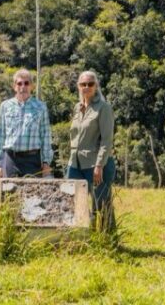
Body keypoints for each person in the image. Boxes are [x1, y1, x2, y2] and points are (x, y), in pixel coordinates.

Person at [66, 70, 115, 229]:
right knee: (72, 201)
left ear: (96, 86)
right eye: (83, 84)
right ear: (78, 86)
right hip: (75, 164)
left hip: (95, 164)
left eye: (90, 84)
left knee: (101, 205)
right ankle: (79, 235)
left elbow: (107, 140)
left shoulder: (103, 108)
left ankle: (107, 237)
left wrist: (99, 165)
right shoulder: (77, 108)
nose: (86, 87)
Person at [0, 69, 53, 178]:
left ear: (32, 86)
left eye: (26, 83)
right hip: (10, 159)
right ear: (14, 86)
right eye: (19, 83)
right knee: (8, 189)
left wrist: (46, 162)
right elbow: (0, 136)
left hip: (32, 159)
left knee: (33, 189)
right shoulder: (5, 106)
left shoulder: (41, 107)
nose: (23, 86)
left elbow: (46, 136)